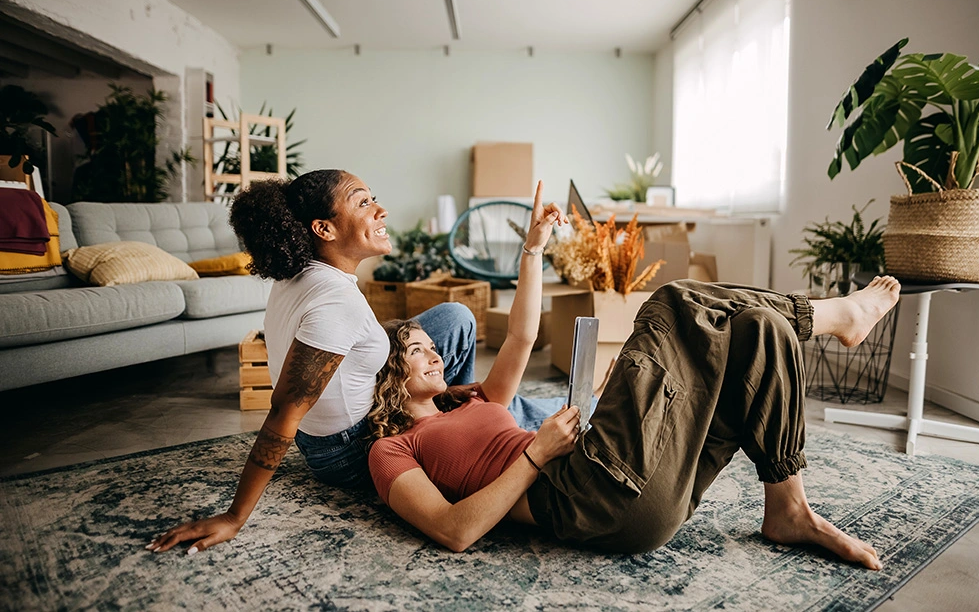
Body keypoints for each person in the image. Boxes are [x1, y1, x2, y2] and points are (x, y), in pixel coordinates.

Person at [367, 182, 900, 570]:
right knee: (671, 301)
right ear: (390, 375)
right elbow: (453, 531)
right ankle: (832, 317)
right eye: (417, 350)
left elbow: (521, 337)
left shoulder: (473, 399)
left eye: (433, 347)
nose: (436, 355)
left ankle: (788, 509)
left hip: (639, 488)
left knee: (759, 331)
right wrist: (537, 453)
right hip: (586, 495)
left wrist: (534, 248)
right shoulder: (392, 450)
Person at [146, 170, 560, 555]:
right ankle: (464, 438)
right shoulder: (335, 303)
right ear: (323, 229)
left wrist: (440, 391)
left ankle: (453, 417)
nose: (380, 210)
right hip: (346, 449)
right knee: (506, 406)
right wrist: (234, 517)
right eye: (362, 203)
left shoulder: (303, 271)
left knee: (455, 320)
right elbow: (284, 414)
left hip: (344, 418)